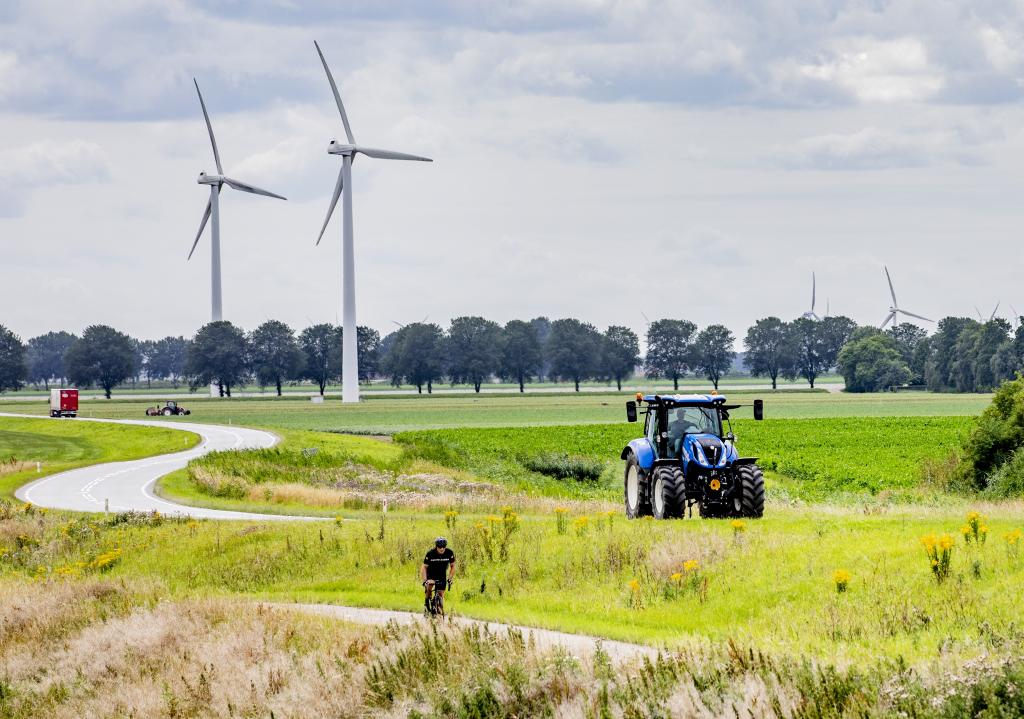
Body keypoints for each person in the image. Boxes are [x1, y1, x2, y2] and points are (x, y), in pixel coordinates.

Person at [421, 536, 456, 612]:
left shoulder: (449, 553)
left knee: (440, 594)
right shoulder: (430, 553)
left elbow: (453, 566)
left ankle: (439, 612)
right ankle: (427, 603)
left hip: (441, 574)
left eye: (443, 546)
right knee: (429, 588)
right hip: (431, 574)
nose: (442, 548)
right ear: (436, 546)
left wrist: (450, 578)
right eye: (439, 547)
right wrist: (425, 580)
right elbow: (424, 567)